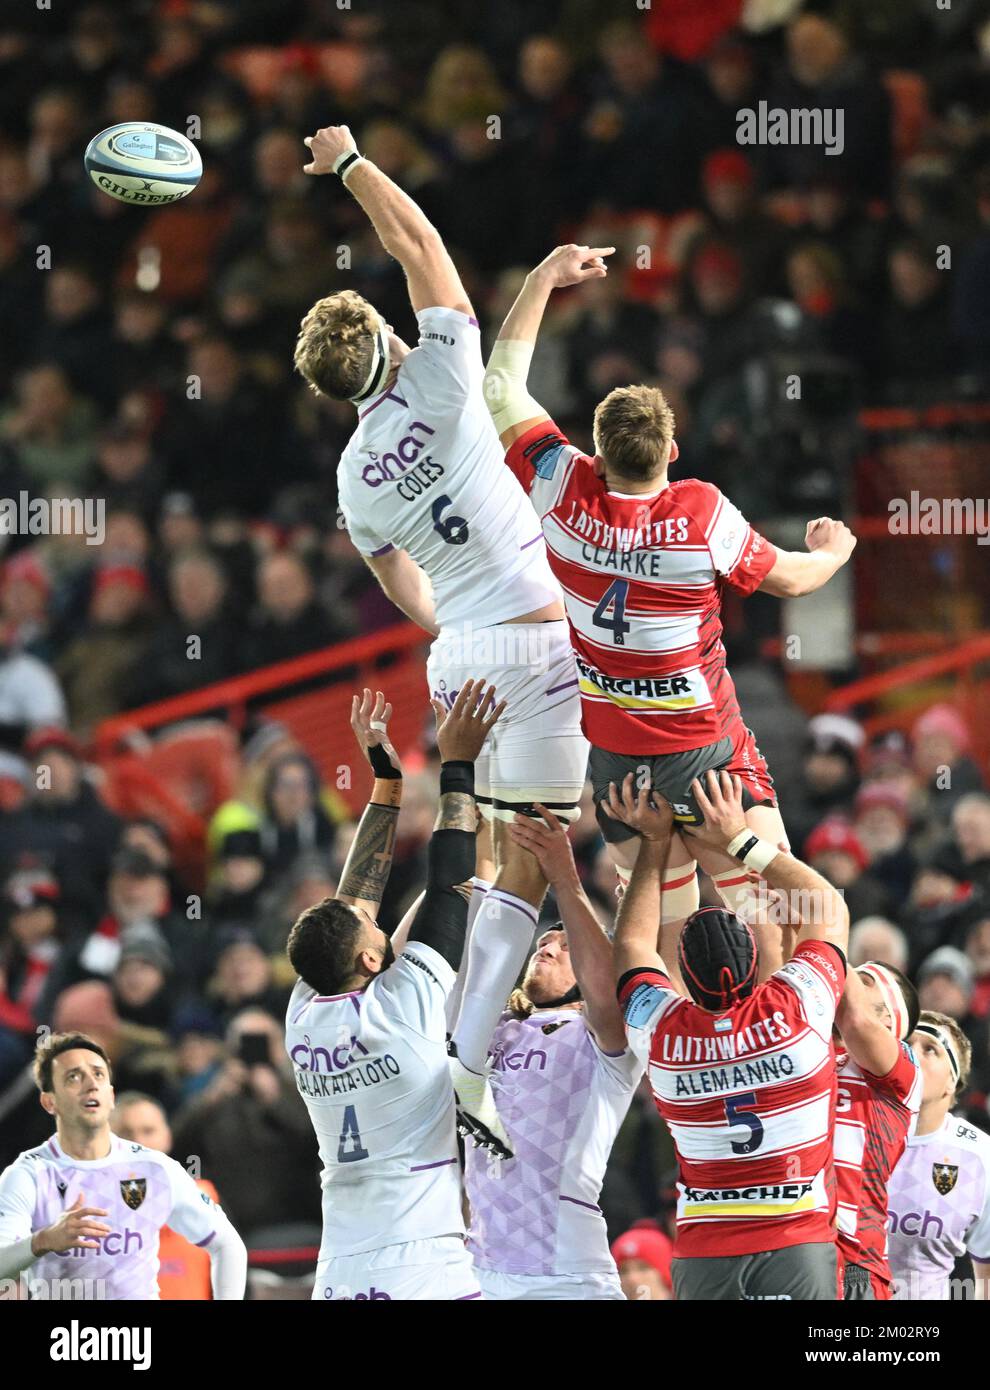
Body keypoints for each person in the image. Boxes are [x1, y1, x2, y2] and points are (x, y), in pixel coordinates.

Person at [292, 123, 587, 1146]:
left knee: (500, 854)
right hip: (540, 644)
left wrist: (453, 624)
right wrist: (351, 164)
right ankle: (465, 1055)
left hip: (461, 653)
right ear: (385, 341)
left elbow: (402, 585)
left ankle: (475, 1031)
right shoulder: (447, 375)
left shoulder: (352, 479)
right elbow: (418, 242)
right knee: (539, 853)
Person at [483, 242, 857, 982]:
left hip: (618, 758)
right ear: (672, 450)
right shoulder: (699, 512)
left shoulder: (560, 486)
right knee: (769, 912)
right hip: (707, 749)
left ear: (595, 450)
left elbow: (499, 387)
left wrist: (540, 279)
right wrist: (836, 551)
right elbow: (789, 581)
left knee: (677, 930)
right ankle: (779, 1045)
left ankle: (697, 1077)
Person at [285, 680, 502, 1300]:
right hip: (424, 1264)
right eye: (375, 930)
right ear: (374, 957)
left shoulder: (304, 1012)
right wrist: (456, 764)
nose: (375, 916)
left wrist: (387, 783)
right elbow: (454, 882)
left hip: (340, 1268)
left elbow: (353, 902)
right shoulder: (407, 1006)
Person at [611, 769, 850, 1301]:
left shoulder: (671, 1037)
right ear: (758, 970)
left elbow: (631, 947)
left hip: (702, 1252)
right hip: (796, 1238)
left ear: (683, 983)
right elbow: (825, 907)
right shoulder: (791, 1011)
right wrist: (735, 840)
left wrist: (652, 847)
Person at [460, 805, 642, 1300]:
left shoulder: (604, 1037)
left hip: (566, 1275)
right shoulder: (494, 1030)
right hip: (479, 1271)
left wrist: (564, 878)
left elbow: (607, 991)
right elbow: (474, 948)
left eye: (566, 946)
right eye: (545, 939)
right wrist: (480, 824)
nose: (548, 946)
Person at [0, 1032, 246, 1299]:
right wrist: (43, 1241)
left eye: (98, 1075)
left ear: (111, 1095)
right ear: (50, 1101)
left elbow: (228, 1245)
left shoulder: (155, 1169)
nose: (91, 1084)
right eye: (74, 1077)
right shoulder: (28, 1175)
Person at [832, 959, 922, 1299]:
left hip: (855, 1261)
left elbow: (857, 1022)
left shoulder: (903, 1069)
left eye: (865, 980)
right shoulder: (808, 1048)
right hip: (791, 1246)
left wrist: (826, 934)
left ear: (889, 1017)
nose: (848, 979)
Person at [887, 1011, 990, 1300]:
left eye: (929, 1049)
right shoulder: (849, 1128)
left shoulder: (979, 1157)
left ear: (952, 1083)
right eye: (905, 1044)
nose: (911, 1054)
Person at [112, 1091, 220, 1301]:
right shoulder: (90, 1206)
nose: (138, 1142)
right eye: (126, 1133)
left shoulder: (205, 1197)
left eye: (148, 1131)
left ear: (167, 1136)